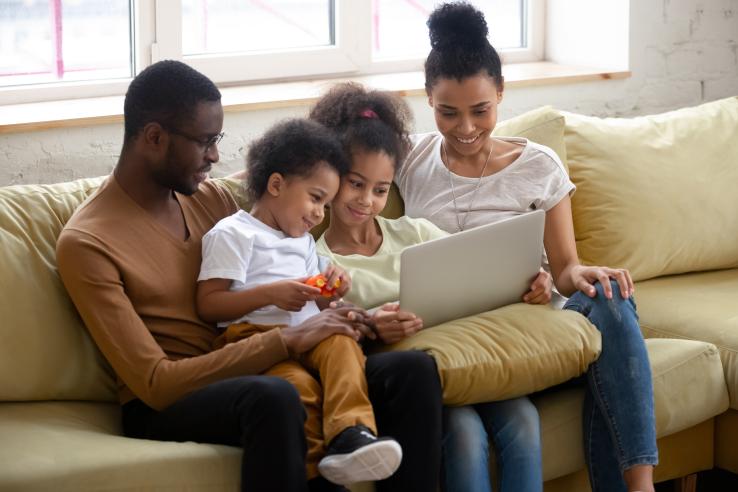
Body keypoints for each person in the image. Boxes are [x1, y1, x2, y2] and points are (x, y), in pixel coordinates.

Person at [55, 60, 442, 492]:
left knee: (411, 369)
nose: (216, 156)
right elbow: (155, 384)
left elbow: (296, 170)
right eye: (205, 141)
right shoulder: (88, 243)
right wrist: (287, 340)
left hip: (265, 361)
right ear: (154, 137)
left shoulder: (210, 197)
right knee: (275, 398)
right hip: (177, 395)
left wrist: (365, 319)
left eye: (216, 140)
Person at [396, 3, 658, 492]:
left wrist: (573, 277)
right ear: (427, 98)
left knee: (610, 295)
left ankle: (640, 486)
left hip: (534, 323)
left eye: (481, 110)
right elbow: (331, 151)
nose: (466, 128)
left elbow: (565, 272)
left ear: (500, 93)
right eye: (446, 112)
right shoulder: (409, 157)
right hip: (460, 335)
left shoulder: (538, 164)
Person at [310, 82, 542, 492]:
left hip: (469, 361)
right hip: (418, 384)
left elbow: (481, 271)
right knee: (466, 434)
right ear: (328, 177)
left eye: (381, 190)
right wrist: (369, 324)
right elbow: (324, 339)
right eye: (355, 184)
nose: (367, 200)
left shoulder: (414, 233)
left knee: (524, 420)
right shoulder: (320, 263)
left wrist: (536, 278)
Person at [195, 117, 402, 486]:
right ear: (276, 184)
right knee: (298, 390)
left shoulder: (303, 241)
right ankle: (316, 474)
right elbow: (209, 304)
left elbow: (316, 300)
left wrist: (332, 290)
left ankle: (350, 435)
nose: (319, 215)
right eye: (315, 198)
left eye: (325, 204)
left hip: (310, 333)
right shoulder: (234, 233)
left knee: (343, 344)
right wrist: (271, 294)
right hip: (254, 340)